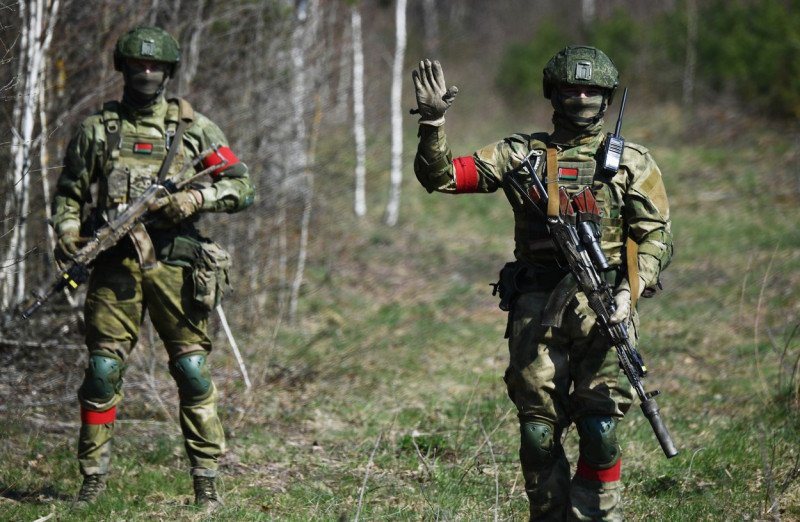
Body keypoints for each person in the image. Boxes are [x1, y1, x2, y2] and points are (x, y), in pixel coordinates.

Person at [411, 46, 672, 521]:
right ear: (553, 92)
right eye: (572, 87)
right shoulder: (518, 153)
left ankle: (596, 513)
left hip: (606, 307)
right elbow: (443, 176)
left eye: (592, 89)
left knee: (600, 430)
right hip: (537, 306)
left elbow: (654, 235)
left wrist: (628, 291)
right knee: (537, 431)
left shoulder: (633, 160)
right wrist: (433, 124)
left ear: (607, 96)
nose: (582, 97)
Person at [51, 26, 254, 507]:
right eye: (139, 65)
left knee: (192, 371)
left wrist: (196, 198)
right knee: (102, 371)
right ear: (123, 68)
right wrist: (67, 235)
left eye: (156, 66)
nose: (147, 73)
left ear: (169, 71)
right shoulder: (97, 130)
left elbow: (243, 186)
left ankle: (206, 485)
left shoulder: (196, 130)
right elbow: (69, 195)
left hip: (177, 267)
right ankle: (93, 481)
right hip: (115, 268)